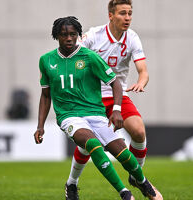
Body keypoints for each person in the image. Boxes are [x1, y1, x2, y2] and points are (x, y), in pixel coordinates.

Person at [34, 16, 161, 200]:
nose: (69, 38)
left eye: (73, 34)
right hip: (69, 116)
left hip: (95, 113)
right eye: (64, 35)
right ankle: (125, 193)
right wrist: (40, 126)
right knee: (92, 144)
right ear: (56, 36)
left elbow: (115, 83)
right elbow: (45, 96)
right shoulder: (46, 60)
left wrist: (116, 109)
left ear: (78, 35)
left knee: (121, 151)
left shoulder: (90, 57)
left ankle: (143, 182)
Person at [69, 1, 160, 199]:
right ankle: (72, 183)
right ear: (111, 15)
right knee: (87, 144)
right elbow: (74, 56)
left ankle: (136, 177)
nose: (127, 18)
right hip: (92, 97)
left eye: (130, 13)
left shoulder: (133, 38)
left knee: (138, 131)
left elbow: (143, 71)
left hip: (118, 94)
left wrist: (141, 82)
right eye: (122, 13)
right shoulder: (94, 35)